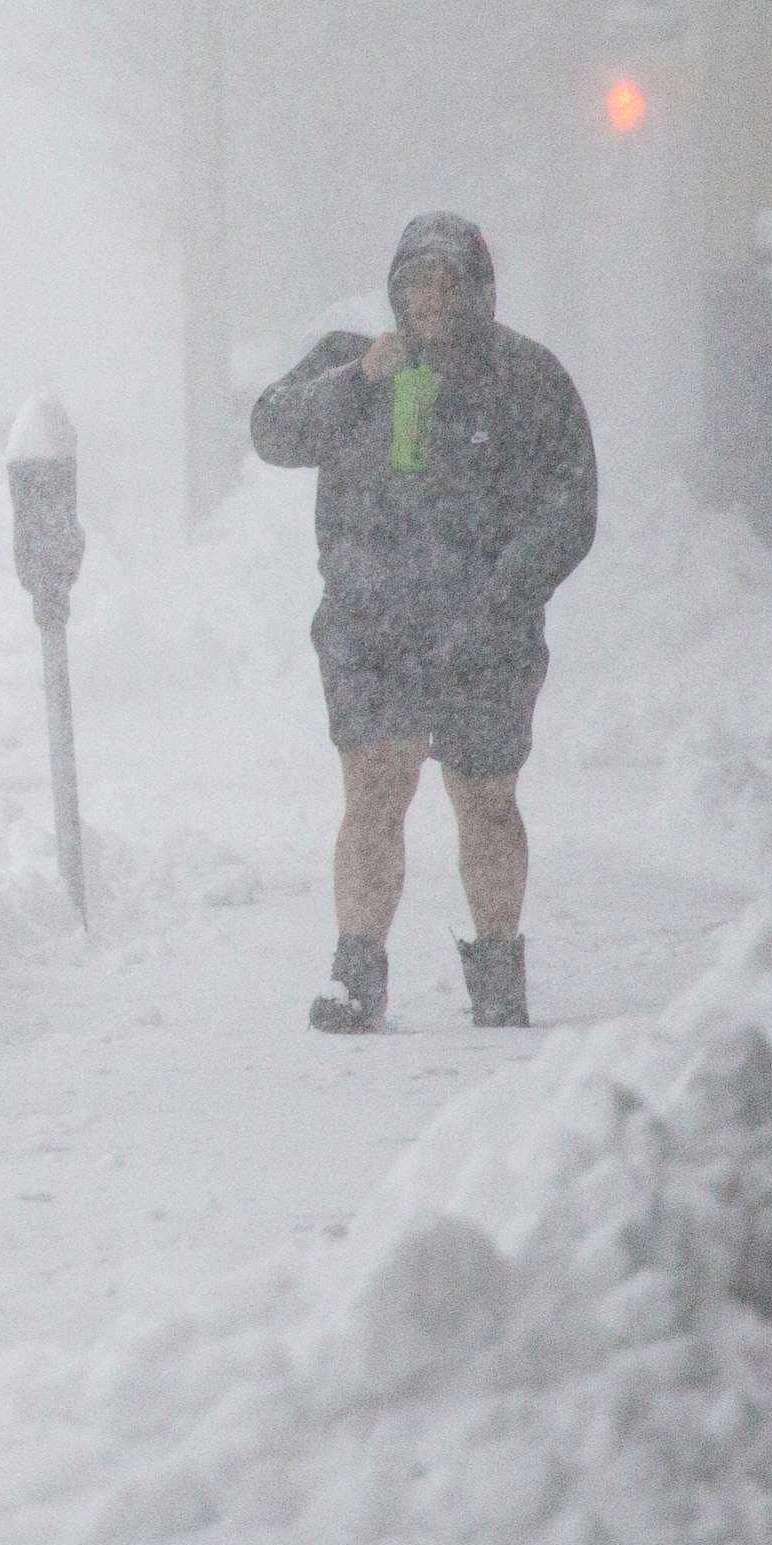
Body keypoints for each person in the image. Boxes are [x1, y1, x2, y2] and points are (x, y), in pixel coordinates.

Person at [251, 212, 597, 1033]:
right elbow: (272, 429)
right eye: (417, 283)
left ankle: (499, 970)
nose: (432, 299)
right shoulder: (354, 361)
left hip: (487, 635)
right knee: (374, 791)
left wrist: (504, 590)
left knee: (485, 799)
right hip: (371, 627)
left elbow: (571, 505)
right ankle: (355, 975)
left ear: (479, 290)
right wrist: (359, 380)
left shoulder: (526, 377)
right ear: (395, 289)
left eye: (449, 283)